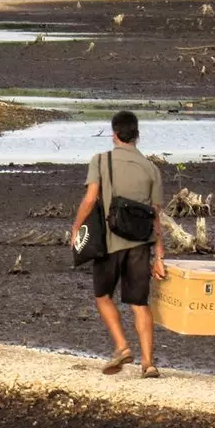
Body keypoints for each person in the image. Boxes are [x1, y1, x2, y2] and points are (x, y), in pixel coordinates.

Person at [71, 110, 166, 377]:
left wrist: (77, 227)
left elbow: (91, 199)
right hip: (141, 244)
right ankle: (149, 363)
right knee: (140, 303)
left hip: (109, 243)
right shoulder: (151, 168)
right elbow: (156, 216)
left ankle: (122, 346)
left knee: (102, 296)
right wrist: (159, 255)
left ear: (114, 134)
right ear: (137, 135)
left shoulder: (101, 160)